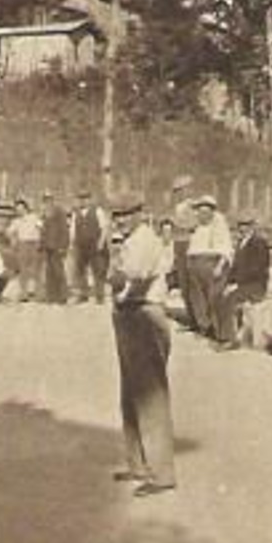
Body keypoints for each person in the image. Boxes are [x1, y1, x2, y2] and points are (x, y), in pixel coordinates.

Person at [107, 199, 177, 497]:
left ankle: (162, 473)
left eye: (126, 214)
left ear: (139, 214)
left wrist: (117, 282)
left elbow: (133, 279)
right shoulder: (127, 241)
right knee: (130, 393)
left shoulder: (146, 240)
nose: (120, 220)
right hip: (128, 314)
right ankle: (137, 463)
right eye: (117, 215)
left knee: (150, 395)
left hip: (145, 314)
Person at [216, 214, 271, 346]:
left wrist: (238, 284)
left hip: (255, 285)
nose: (242, 228)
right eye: (240, 225)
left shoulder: (259, 242)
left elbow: (258, 268)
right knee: (221, 294)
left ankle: (231, 340)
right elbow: (235, 268)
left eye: (246, 225)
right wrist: (229, 282)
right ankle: (230, 333)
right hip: (244, 284)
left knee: (229, 300)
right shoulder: (241, 243)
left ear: (252, 227)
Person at [184, 195, 233, 341]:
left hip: (212, 263)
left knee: (213, 297)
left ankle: (219, 331)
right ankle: (204, 326)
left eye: (205, 211)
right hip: (195, 263)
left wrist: (219, 266)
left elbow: (226, 249)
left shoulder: (219, 224)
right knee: (197, 297)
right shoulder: (197, 227)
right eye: (199, 211)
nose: (201, 214)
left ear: (212, 211)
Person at [70, 190, 112, 303]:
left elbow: (104, 227)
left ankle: (100, 296)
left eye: (86, 198)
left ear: (90, 199)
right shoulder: (76, 213)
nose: (83, 201)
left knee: (97, 270)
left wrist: (101, 242)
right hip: (81, 245)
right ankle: (83, 295)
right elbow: (73, 230)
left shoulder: (97, 211)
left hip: (94, 244)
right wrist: (72, 243)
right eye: (81, 198)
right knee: (80, 270)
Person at [168, 178, 196, 322]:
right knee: (183, 282)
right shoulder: (177, 207)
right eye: (176, 191)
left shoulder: (192, 206)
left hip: (188, 244)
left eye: (181, 190)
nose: (178, 194)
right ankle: (191, 316)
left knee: (190, 282)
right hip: (179, 244)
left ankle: (196, 318)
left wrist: (176, 222)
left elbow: (194, 225)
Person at [5, 198, 43, 301]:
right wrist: (13, 240)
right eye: (17, 209)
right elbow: (8, 232)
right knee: (23, 270)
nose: (20, 211)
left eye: (21, 209)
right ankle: (24, 294)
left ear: (26, 208)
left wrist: (40, 241)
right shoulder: (16, 221)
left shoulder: (34, 217)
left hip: (35, 243)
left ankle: (39, 293)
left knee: (36, 270)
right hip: (23, 245)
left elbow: (42, 228)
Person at [39, 191, 71, 304]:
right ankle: (51, 296)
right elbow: (43, 231)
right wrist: (41, 245)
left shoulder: (59, 212)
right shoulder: (45, 214)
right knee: (49, 272)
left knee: (59, 272)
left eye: (49, 199)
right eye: (45, 200)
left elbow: (65, 230)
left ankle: (63, 296)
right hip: (48, 247)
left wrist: (64, 246)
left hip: (57, 246)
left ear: (53, 200)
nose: (47, 202)